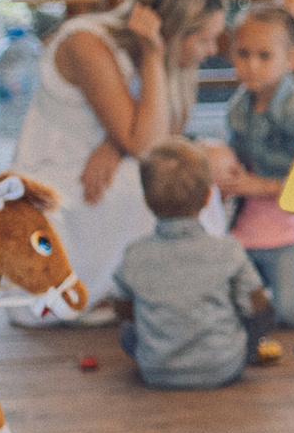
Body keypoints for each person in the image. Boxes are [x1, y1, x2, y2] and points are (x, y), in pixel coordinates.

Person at [8, 0, 227, 326]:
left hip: (106, 163)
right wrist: (154, 55)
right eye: (204, 39)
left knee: (190, 179)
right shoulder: (86, 43)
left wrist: (117, 142)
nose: (212, 49)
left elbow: (164, 134)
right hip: (57, 176)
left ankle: (182, 284)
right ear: (171, 31)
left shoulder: (177, 61)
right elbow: (149, 147)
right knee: (167, 187)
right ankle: (136, 287)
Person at [108, 140, 275, 390]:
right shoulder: (228, 249)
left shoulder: (135, 254)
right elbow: (257, 304)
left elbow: (121, 308)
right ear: (209, 196)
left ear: (147, 201)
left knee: (130, 328)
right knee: (259, 310)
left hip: (155, 370)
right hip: (223, 366)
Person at [211, 2, 294, 330]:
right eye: (242, 53)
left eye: (264, 56)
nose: (251, 65)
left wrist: (261, 185)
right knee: (227, 304)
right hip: (249, 224)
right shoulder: (238, 106)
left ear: (290, 58)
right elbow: (234, 160)